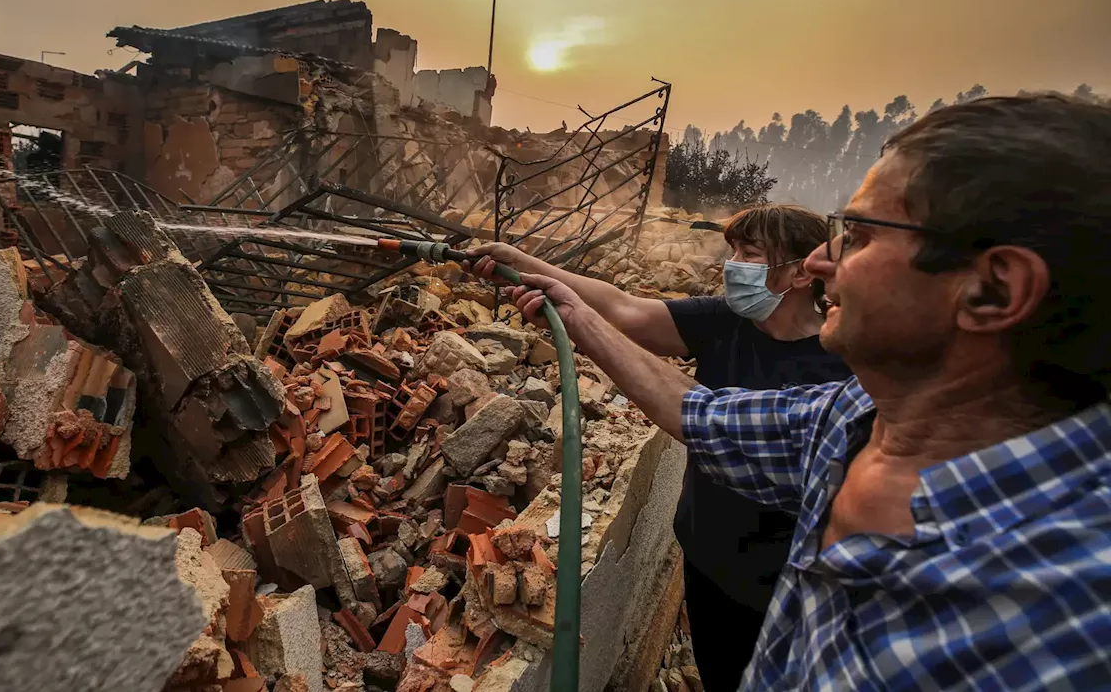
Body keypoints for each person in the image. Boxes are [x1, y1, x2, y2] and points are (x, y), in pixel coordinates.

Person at [501, 94, 1111, 690]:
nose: (823, 262)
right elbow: (699, 411)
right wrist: (575, 314)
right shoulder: (850, 419)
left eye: (861, 236)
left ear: (993, 291)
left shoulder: (1065, 626)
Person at [469, 205, 851, 692]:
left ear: (801, 271)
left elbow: (697, 415)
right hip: (708, 557)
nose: (732, 264)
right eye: (732, 249)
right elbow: (625, 309)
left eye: (750, 254)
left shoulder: (839, 367)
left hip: (778, 587)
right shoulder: (727, 320)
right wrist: (524, 262)